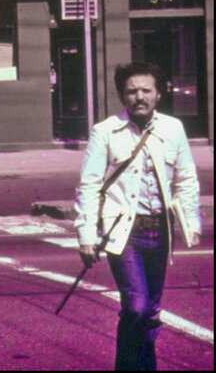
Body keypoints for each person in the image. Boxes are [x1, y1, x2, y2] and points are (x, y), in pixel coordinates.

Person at [74, 62, 201, 371]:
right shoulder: (105, 131)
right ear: (122, 96)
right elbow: (89, 186)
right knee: (137, 307)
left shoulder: (173, 129)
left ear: (159, 94)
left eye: (146, 90)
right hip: (125, 234)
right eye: (132, 91)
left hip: (161, 231)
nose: (139, 97)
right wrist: (87, 237)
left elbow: (186, 179)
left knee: (151, 311)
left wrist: (191, 222)